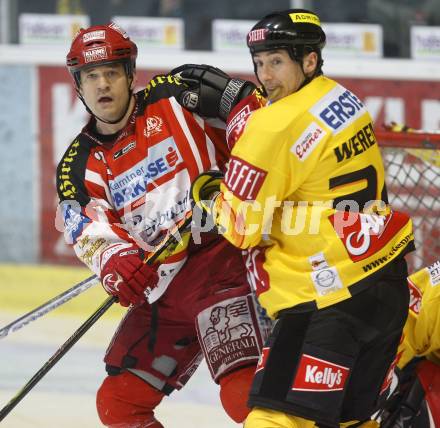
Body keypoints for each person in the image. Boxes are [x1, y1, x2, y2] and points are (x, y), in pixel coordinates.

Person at [189, 8, 416, 428]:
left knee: (275, 419)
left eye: (277, 62)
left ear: (309, 60)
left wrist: (208, 192)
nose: (265, 76)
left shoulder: (270, 127)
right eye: (259, 63)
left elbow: (241, 229)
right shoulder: (344, 99)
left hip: (326, 301)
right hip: (386, 287)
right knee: (351, 422)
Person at [56, 23, 272, 427]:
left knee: (243, 395)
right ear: (78, 86)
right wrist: (116, 262)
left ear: (130, 75)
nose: (102, 85)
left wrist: (238, 175)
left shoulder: (178, 94)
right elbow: (86, 228)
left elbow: (256, 113)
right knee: (119, 404)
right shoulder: (77, 165)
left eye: (111, 73)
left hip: (223, 267)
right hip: (162, 290)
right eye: (91, 76)